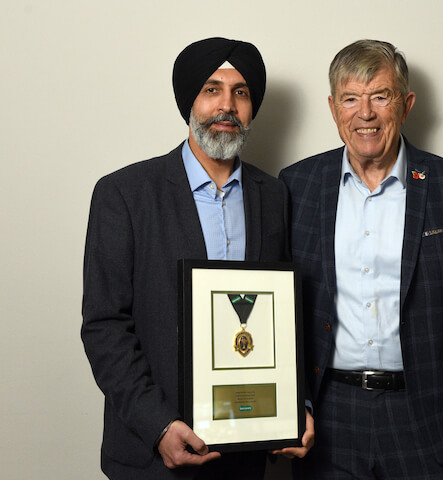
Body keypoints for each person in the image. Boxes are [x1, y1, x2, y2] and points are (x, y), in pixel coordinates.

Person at [82, 37, 311, 480]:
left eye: (240, 92)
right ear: (190, 101)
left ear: (252, 106)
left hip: (244, 453)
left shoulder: (274, 195)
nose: (226, 105)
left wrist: (293, 405)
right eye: (211, 90)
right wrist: (159, 425)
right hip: (151, 457)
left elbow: (284, 315)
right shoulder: (124, 195)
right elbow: (104, 326)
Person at [279, 39, 443, 479]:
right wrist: (284, 408)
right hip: (327, 415)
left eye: (380, 96)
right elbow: (281, 312)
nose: (365, 113)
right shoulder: (296, 186)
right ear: (332, 107)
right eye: (350, 99)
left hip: (425, 415)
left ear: (406, 104)